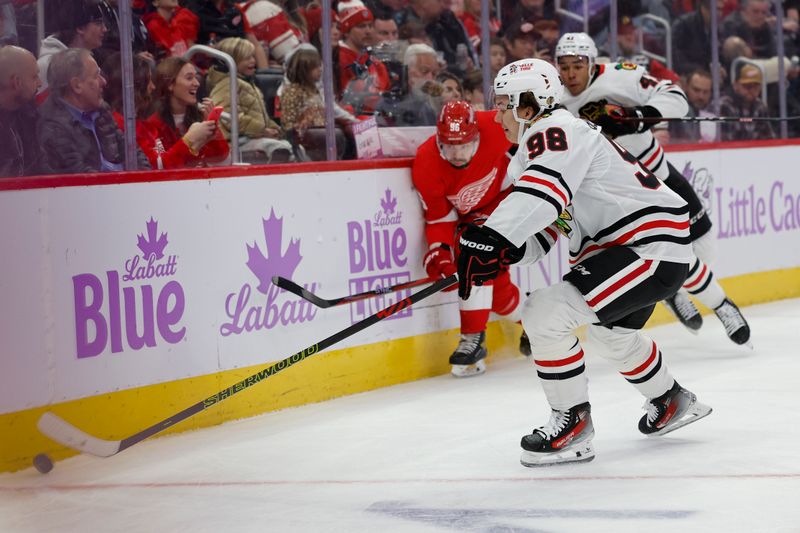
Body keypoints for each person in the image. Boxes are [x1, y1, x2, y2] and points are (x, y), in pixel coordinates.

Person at [456, 58, 712, 466]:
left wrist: (490, 238)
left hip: (643, 247)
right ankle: (671, 400)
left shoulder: (554, 129)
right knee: (612, 337)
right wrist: (508, 250)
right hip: (644, 249)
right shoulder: (549, 144)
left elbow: (542, 195)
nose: (496, 113)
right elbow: (551, 221)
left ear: (529, 104)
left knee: (544, 312)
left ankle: (573, 425)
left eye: (504, 103)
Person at [554, 32, 751, 347]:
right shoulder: (555, 100)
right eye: (563, 66)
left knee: (704, 248)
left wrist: (640, 117)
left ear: (592, 62)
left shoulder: (620, 76)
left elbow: (675, 95)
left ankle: (675, 293)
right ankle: (722, 304)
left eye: (577, 64)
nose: (570, 73)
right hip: (621, 198)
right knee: (674, 254)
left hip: (657, 176)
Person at [413, 101, 526, 377]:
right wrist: (439, 254)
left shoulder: (495, 124)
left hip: (508, 198)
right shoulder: (427, 161)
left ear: (476, 135)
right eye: (450, 146)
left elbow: (535, 131)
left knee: (474, 249)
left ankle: (473, 339)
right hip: (471, 215)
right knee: (498, 292)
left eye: (464, 145)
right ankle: (537, 326)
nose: (457, 154)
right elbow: (439, 218)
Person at [38, 48, 150, 173]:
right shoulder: (53, 127)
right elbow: (81, 181)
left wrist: (143, 179)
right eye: (96, 76)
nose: (104, 81)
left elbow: (131, 151)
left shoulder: (102, 110)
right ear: (76, 85)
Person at [207, 37, 293, 163]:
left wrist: (274, 129)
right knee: (278, 148)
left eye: (253, 56)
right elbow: (228, 117)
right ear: (233, 61)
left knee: (291, 146)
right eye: (247, 58)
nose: (253, 61)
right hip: (236, 142)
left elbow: (262, 117)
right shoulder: (227, 84)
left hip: (252, 138)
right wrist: (262, 131)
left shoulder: (246, 83)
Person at [145, 57, 230, 167]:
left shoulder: (200, 116)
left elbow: (223, 161)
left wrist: (213, 128)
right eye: (189, 78)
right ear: (170, 84)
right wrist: (189, 141)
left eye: (195, 77)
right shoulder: (152, 124)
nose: (197, 83)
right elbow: (160, 169)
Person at [37, 0, 108, 97]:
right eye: (98, 23)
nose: (104, 29)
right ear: (80, 28)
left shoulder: (90, 60)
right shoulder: (48, 65)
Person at [335, 0, 391, 117]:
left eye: (370, 25)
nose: (368, 31)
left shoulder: (376, 63)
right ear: (346, 31)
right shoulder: (339, 59)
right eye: (361, 26)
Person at [0, 45, 49, 177]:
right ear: (17, 82)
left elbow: (42, 168)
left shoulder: (30, 116)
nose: (39, 83)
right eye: (34, 77)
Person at [718, 64, 777, 141]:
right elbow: (724, 143)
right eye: (747, 86)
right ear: (735, 85)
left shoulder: (760, 107)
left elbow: (769, 139)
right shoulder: (724, 106)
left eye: (756, 86)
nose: (752, 91)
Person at [669, 69, 718, 143]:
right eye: (696, 90)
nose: (701, 96)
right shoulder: (676, 111)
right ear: (686, 87)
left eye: (705, 92)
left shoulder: (716, 111)